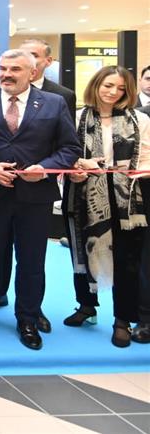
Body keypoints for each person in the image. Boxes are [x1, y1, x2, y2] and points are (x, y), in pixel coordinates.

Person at [0, 49, 81, 350]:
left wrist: (44, 168)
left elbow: (70, 148)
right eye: (3, 68)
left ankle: (28, 316)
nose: (6, 74)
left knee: (31, 259)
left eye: (15, 69)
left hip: (36, 197)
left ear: (32, 72)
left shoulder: (54, 103)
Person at [64, 66, 149, 348]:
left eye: (121, 88)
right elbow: (66, 154)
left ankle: (122, 320)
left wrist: (131, 170)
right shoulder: (76, 117)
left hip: (126, 197)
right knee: (82, 250)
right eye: (108, 85)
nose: (113, 92)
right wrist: (77, 167)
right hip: (83, 192)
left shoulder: (139, 119)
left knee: (126, 259)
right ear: (96, 85)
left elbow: (147, 157)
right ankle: (86, 306)